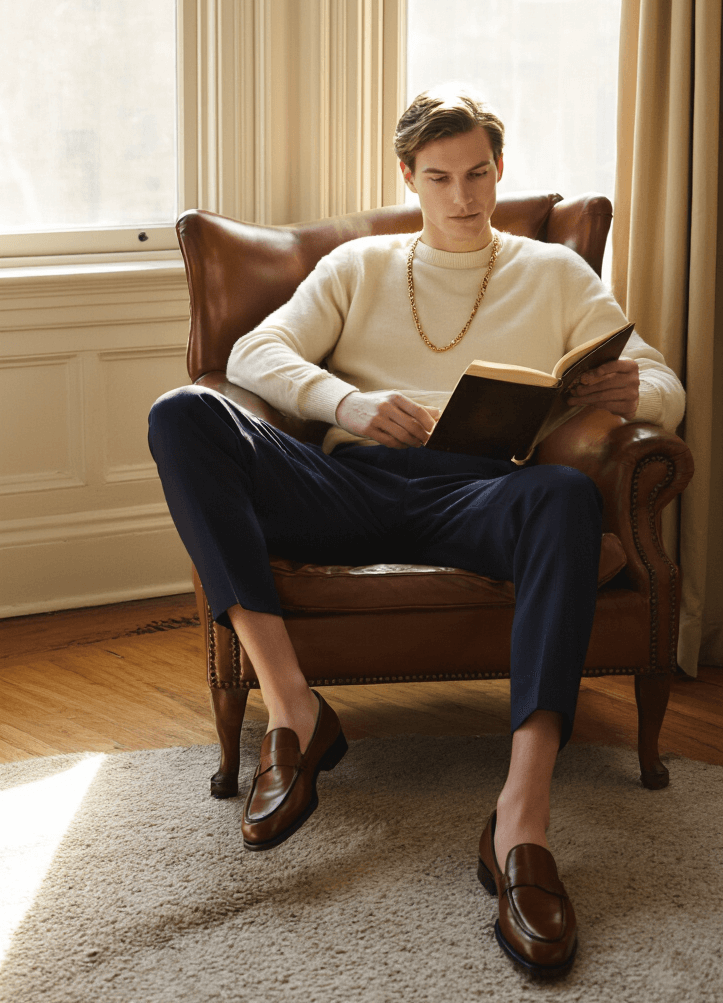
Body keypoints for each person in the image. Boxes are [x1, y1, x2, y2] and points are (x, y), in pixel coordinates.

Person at [148, 88, 684, 980]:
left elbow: (662, 380)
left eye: (478, 174)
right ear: (409, 178)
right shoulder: (359, 265)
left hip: (482, 494)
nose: (464, 196)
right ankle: (295, 712)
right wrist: (349, 401)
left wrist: (636, 393)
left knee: (562, 498)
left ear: (499, 169)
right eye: (440, 178)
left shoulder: (555, 273)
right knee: (183, 415)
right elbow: (252, 355)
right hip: (347, 483)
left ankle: (520, 819)